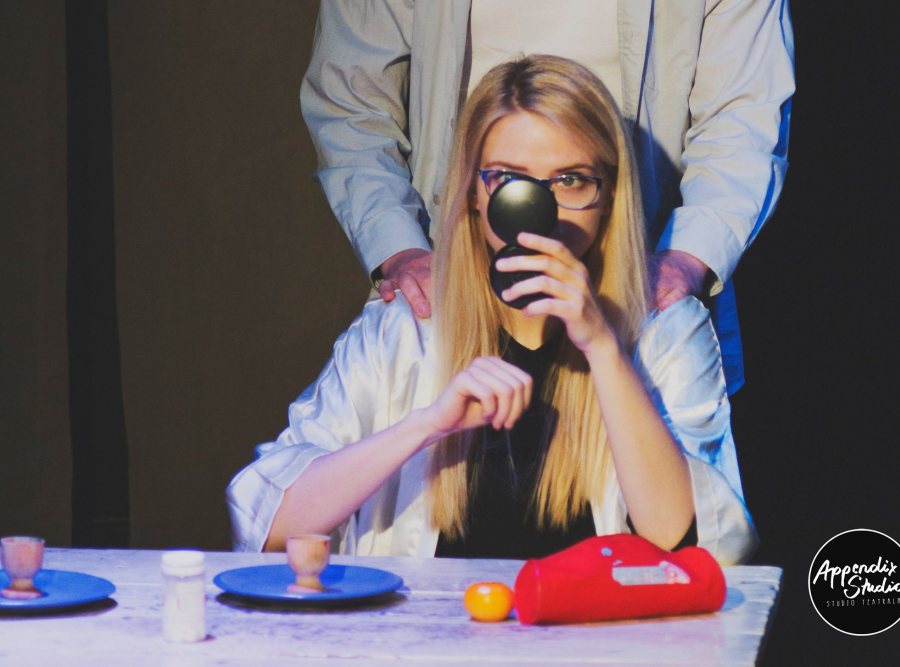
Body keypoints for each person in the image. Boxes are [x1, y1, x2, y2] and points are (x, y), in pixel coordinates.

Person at [228, 56, 756, 565]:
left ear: (609, 195)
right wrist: (426, 425)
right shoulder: (407, 330)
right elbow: (269, 527)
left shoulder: (665, 329)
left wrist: (603, 347)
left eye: (571, 180)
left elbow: (689, 542)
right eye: (509, 180)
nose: (540, 212)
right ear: (474, 194)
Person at [301, 1, 795, 395]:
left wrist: (685, 260)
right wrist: (399, 248)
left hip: (640, 294)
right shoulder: (395, 343)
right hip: (452, 287)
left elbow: (745, 114)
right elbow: (351, 101)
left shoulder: (671, 342)